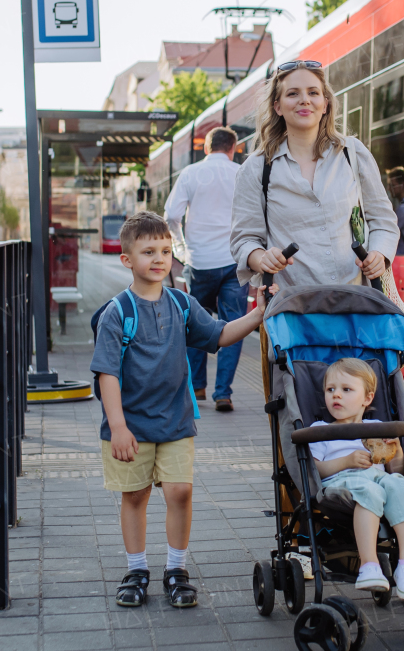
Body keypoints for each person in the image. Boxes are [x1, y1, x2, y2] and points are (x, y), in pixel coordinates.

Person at [91, 211, 275, 609]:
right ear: (127, 260)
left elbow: (219, 334)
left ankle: (177, 569)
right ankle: (136, 569)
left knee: (180, 491)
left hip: (175, 421)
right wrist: (118, 427)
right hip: (130, 426)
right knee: (136, 495)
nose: (159, 259)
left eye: (165, 250)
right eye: (148, 252)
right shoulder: (117, 312)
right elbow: (107, 373)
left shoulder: (181, 303)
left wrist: (257, 316)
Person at [230, 60, 399, 288]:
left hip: (357, 305)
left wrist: (379, 254)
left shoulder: (353, 153)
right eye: (292, 94)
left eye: (313, 92)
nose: (305, 100)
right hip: (292, 309)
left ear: (325, 104)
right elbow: (244, 241)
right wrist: (262, 258)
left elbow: (383, 220)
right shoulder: (256, 168)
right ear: (277, 107)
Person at [308, 358, 404, 602]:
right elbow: (314, 470)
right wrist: (346, 462)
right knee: (369, 490)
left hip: (379, 479)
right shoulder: (320, 430)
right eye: (331, 390)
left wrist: (397, 452)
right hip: (342, 483)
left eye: (346, 390)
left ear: (367, 398)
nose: (336, 395)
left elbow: (397, 470)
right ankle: (369, 565)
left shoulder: (377, 427)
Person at [165, 126, 245, 412]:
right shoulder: (241, 173)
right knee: (233, 325)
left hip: (199, 262)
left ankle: (197, 387)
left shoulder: (190, 173)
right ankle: (223, 393)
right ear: (233, 148)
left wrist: (181, 249)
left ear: (206, 148)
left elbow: (172, 215)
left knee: (196, 323)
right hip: (234, 263)